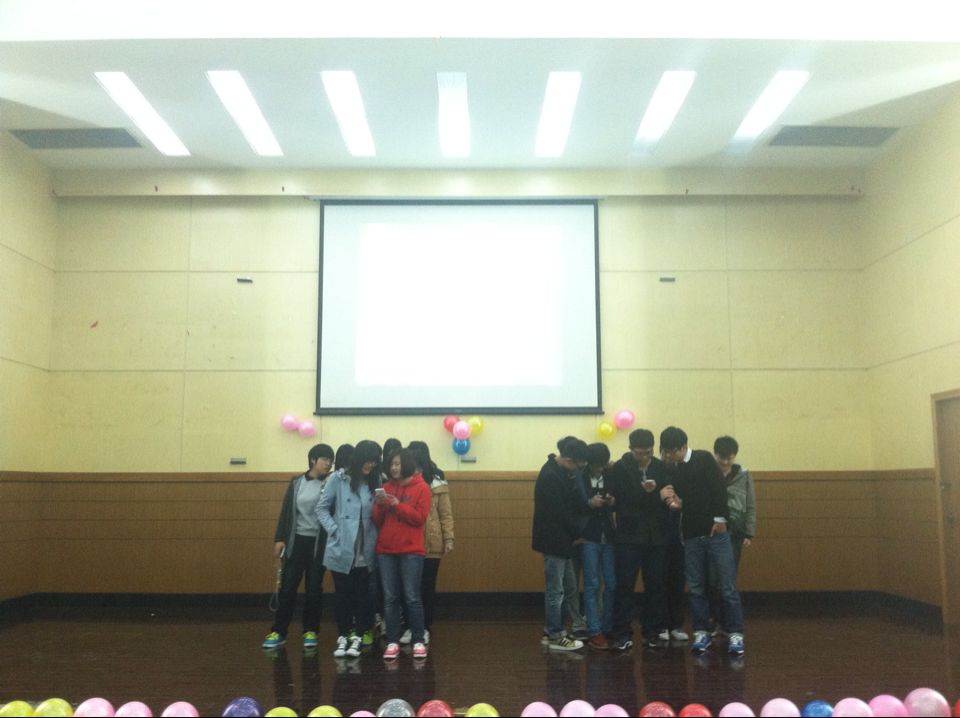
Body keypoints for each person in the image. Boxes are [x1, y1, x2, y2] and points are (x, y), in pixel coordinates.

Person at [659, 426, 745, 656]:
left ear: (683, 447)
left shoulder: (704, 459)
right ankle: (701, 631)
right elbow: (683, 501)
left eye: (672, 451)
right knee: (696, 588)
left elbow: (718, 490)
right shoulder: (674, 469)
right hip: (691, 535)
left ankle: (736, 633)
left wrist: (720, 518)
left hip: (716, 533)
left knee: (727, 586)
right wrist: (673, 502)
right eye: (666, 452)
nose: (669, 456)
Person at [262, 443, 336, 650]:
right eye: (325, 459)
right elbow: (286, 512)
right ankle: (279, 631)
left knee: (313, 589)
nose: (328, 464)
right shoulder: (296, 483)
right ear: (313, 460)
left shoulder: (331, 483)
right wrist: (280, 538)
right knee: (287, 588)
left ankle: (310, 631)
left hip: (318, 544)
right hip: (296, 542)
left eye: (331, 460)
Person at [606, 428, 671, 650]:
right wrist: (649, 494)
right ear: (630, 449)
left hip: (656, 535)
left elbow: (667, 498)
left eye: (648, 452)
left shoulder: (661, 467)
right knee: (625, 585)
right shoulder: (621, 468)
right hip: (629, 536)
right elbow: (619, 500)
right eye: (639, 453)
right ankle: (621, 632)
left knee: (655, 585)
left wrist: (660, 495)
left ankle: (651, 631)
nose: (643, 457)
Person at [317, 439, 382, 658]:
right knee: (342, 594)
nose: (371, 465)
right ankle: (343, 635)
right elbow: (322, 508)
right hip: (342, 545)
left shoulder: (376, 481)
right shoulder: (338, 479)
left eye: (374, 461)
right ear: (358, 458)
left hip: (366, 546)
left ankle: (359, 635)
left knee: (363, 595)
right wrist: (334, 530)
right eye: (368, 460)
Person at [532, 436, 592, 651]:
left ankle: (550, 631)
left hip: (563, 541)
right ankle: (556, 635)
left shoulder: (559, 471)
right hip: (554, 540)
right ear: (567, 460)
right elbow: (560, 513)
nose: (579, 470)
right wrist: (579, 532)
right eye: (579, 465)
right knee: (555, 591)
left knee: (568, 587)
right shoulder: (551, 476)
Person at [373, 447, 432, 660]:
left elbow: (419, 518)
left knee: (412, 597)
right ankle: (392, 641)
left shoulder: (422, 488)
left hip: (411, 551)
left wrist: (398, 505)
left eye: (397, 464)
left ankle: (418, 640)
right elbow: (377, 521)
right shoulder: (386, 487)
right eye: (391, 464)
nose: (394, 468)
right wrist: (380, 506)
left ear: (406, 464)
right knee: (390, 598)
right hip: (386, 550)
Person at [407, 440, 454, 645]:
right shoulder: (403, 480)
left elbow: (445, 514)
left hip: (432, 542)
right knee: (410, 588)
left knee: (426, 586)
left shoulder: (437, 481)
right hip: (408, 542)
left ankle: (424, 626)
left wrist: (449, 538)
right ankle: (410, 626)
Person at [708, 435, 756, 633]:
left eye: (729, 458)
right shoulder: (708, 473)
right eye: (722, 458)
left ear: (735, 456)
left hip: (735, 533)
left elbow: (750, 504)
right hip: (711, 532)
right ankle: (713, 620)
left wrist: (749, 532)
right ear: (715, 454)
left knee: (728, 579)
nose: (726, 462)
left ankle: (727, 623)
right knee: (711, 579)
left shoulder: (744, 475)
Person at [577, 442, 616, 650]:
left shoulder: (611, 474)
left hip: (609, 535)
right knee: (592, 585)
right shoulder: (580, 476)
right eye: (595, 465)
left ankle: (608, 626)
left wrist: (611, 501)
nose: (598, 469)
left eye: (601, 465)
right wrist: (589, 503)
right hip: (589, 536)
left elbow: (620, 499)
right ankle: (594, 630)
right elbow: (574, 503)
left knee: (611, 584)